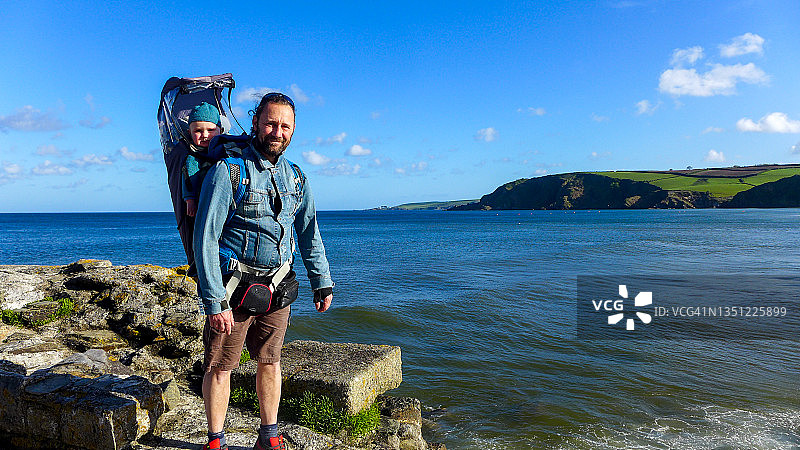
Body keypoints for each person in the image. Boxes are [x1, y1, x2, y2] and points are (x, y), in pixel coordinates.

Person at [193, 92, 334, 450]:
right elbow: (205, 239)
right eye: (271, 123)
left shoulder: (297, 178)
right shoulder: (229, 172)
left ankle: (268, 436)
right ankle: (215, 441)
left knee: (270, 362)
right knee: (220, 366)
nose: (277, 131)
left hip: (277, 288)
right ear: (255, 122)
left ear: (293, 131)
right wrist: (214, 301)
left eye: (285, 126)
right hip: (232, 291)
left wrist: (321, 281)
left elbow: (308, 231)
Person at [182, 102, 222, 218]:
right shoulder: (193, 157)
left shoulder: (228, 149)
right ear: (189, 133)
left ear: (221, 130)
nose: (205, 135)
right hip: (203, 202)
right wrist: (190, 200)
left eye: (210, 130)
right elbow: (188, 180)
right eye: (198, 131)